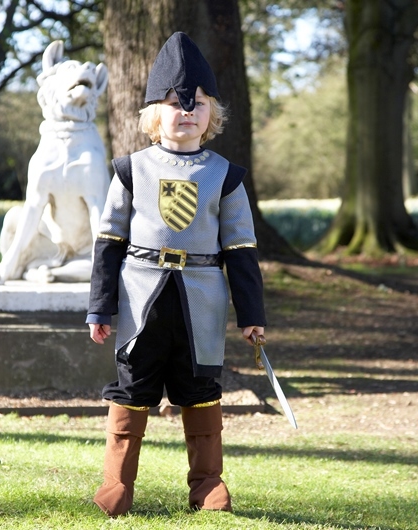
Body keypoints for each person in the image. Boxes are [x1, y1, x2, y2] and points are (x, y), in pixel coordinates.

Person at [87, 31, 266, 517]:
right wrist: (100, 307)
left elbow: (242, 249)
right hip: (139, 297)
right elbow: (108, 243)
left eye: (199, 103)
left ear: (212, 115)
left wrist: (251, 314)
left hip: (202, 300)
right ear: (153, 114)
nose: (187, 111)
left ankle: (208, 486)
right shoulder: (129, 170)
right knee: (132, 387)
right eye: (174, 102)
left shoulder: (226, 176)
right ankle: (116, 486)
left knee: (200, 390)